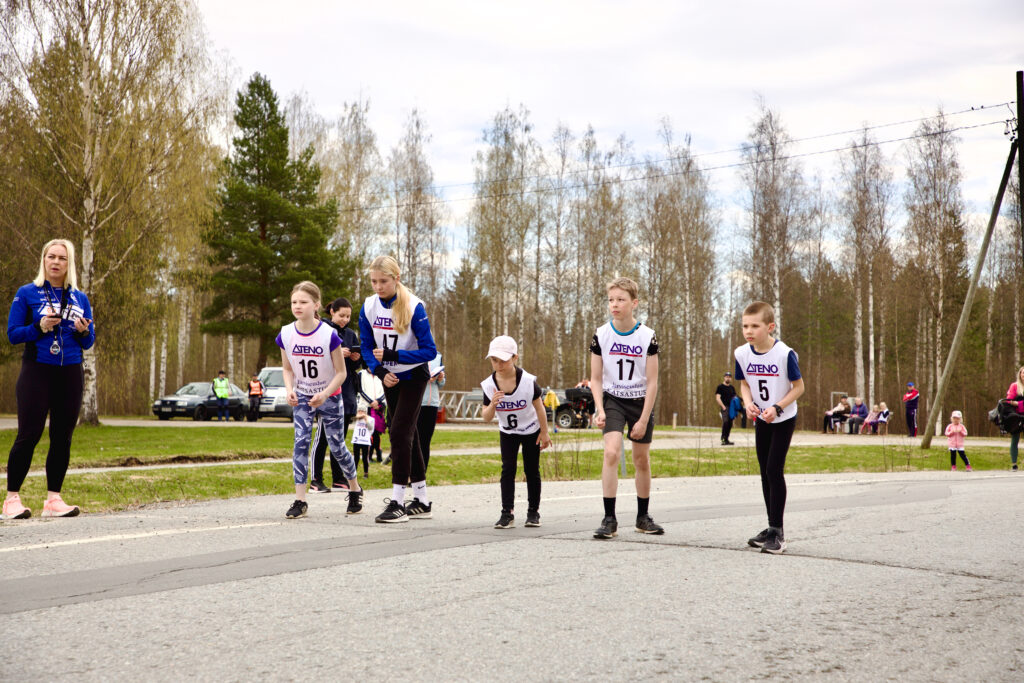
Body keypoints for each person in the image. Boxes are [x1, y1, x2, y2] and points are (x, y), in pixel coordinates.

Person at [3, 238, 95, 520]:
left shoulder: (80, 298)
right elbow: (13, 334)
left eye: (62, 258)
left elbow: (89, 341)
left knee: (62, 437)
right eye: (51, 256)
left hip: (70, 372)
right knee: (29, 434)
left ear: (69, 264)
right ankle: (11, 500)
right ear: (43, 260)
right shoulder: (27, 293)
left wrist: (82, 331)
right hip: (37, 370)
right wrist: (38, 326)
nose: (56, 262)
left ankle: (53, 500)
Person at [359, 255, 438, 523]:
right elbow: (367, 346)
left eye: (383, 281)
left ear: (396, 278)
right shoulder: (369, 306)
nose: (378, 287)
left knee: (399, 432)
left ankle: (397, 502)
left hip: (414, 375)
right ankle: (422, 500)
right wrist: (381, 372)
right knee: (406, 433)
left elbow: (429, 351)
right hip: (389, 376)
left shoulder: (415, 306)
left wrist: (394, 357)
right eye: (373, 281)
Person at [277, 281, 363, 519]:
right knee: (300, 443)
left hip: (330, 396)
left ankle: (354, 489)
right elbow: (287, 368)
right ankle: (300, 500)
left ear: (316, 305)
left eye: (303, 302)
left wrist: (324, 394)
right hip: (303, 396)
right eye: (294, 302)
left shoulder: (329, 335)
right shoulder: (286, 333)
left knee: (337, 446)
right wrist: (289, 390)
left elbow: (341, 373)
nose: (297, 306)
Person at [590, 277, 663, 539]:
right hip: (613, 400)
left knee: (640, 459)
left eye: (621, 299)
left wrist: (643, 419)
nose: (615, 304)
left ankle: (643, 517)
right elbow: (595, 378)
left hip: (640, 401)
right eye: (611, 300)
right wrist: (599, 409)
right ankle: (609, 519)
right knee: (611, 452)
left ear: (634, 303)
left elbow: (652, 382)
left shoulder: (647, 336)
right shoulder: (601, 334)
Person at [736, 301, 805, 555]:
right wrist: (748, 403)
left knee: (774, 470)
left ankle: (778, 533)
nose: (749, 331)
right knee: (765, 472)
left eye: (755, 326)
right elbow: (744, 383)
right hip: (761, 419)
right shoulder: (741, 353)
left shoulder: (784, 354)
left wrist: (777, 407)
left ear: (770, 327)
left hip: (783, 417)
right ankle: (770, 527)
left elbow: (799, 387)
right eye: (745, 326)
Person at [481, 335, 552, 529]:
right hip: (508, 432)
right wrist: (493, 405)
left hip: (531, 430)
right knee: (508, 469)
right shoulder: (489, 385)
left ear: (514, 358)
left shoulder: (528, 381)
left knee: (532, 470)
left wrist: (544, 432)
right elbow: (486, 417)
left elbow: (540, 408)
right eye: (494, 360)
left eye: (503, 360)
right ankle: (507, 513)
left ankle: (533, 512)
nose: (499, 365)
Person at [310, 297, 361, 493]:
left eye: (348, 316)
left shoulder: (350, 334)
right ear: (332, 312)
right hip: (327, 392)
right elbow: (317, 358)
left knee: (339, 439)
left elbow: (356, 367)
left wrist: (355, 358)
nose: (345, 320)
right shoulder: (322, 330)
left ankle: (338, 478)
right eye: (341, 315)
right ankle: (316, 479)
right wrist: (338, 353)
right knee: (322, 437)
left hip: (346, 393)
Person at [418, 352, 445, 471]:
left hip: (433, 404)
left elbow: (442, 384)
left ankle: (422, 473)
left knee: (426, 441)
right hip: (419, 403)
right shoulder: (415, 353)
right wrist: (426, 378)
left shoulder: (438, 356)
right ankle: (414, 472)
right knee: (417, 440)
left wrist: (441, 378)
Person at [1006, 367, 1024, 471]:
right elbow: (1008, 400)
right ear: (1020, 374)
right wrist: (1018, 404)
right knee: (1015, 439)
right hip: (1016, 416)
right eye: (1023, 373)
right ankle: (1014, 464)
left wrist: (1018, 403)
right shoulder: (1015, 386)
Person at [715, 371, 737, 445]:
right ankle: (723, 438)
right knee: (726, 422)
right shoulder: (720, 387)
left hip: (731, 408)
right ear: (724, 378)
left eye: (729, 377)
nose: (728, 378)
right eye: (727, 377)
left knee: (730, 424)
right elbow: (718, 398)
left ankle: (727, 439)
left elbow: (734, 398)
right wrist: (723, 407)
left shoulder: (732, 388)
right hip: (725, 407)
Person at [351, 409, 374, 478]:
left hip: (365, 441)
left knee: (365, 457)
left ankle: (366, 473)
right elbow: (351, 419)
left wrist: (366, 420)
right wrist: (357, 416)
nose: (360, 413)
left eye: (362, 411)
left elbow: (371, 428)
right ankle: (354, 473)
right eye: (359, 411)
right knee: (356, 457)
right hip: (357, 440)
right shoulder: (357, 418)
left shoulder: (370, 419)